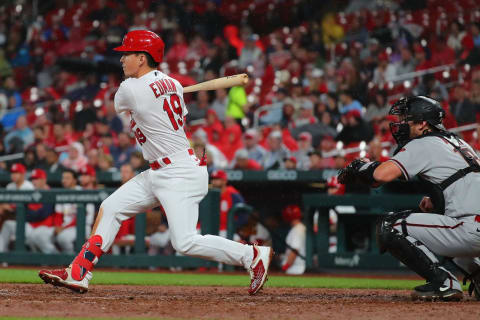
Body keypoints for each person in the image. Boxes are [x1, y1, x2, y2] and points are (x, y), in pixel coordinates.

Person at [39, 30, 273, 295]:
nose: (122, 59)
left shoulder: (130, 88)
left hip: (178, 172)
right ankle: (79, 271)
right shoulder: (172, 83)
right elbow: (173, 112)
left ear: (142, 58)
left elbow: (120, 106)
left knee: (184, 242)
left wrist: (149, 96)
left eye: (127, 54)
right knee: (112, 207)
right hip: (161, 169)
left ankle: (251, 255)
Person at [338, 96, 480, 301]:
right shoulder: (458, 142)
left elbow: (380, 176)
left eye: (407, 119)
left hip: (470, 229)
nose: (401, 124)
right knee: (441, 221)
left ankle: (444, 283)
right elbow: (464, 180)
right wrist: (437, 200)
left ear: (423, 123)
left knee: (390, 225)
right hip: (472, 225)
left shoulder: (424, 143)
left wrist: (361, 166)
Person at [210, 170, 245, 238]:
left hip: (227, 230)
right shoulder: (209, 193)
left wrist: (234, 227)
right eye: (213, 179)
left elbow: (243, 214)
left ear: (224, 181)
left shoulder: (233, 194)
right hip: (210, 230)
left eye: (217, 179)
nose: (213, 181)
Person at [280, 205, 306, 275]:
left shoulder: (297, 230)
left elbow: (294, 251)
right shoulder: (299, 228)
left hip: (295, 268)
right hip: (296, 267)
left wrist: (285, 267)